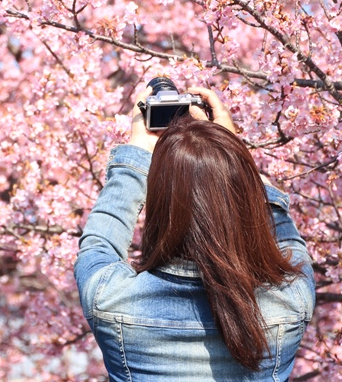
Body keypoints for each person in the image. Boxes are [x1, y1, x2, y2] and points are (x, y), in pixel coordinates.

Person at [74, 84, 315, 381]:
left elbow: (99, 242)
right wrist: (232, 154)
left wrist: (137, 154)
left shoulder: (111, 299)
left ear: (160, 200)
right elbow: (283, 234)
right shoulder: (290, 298)